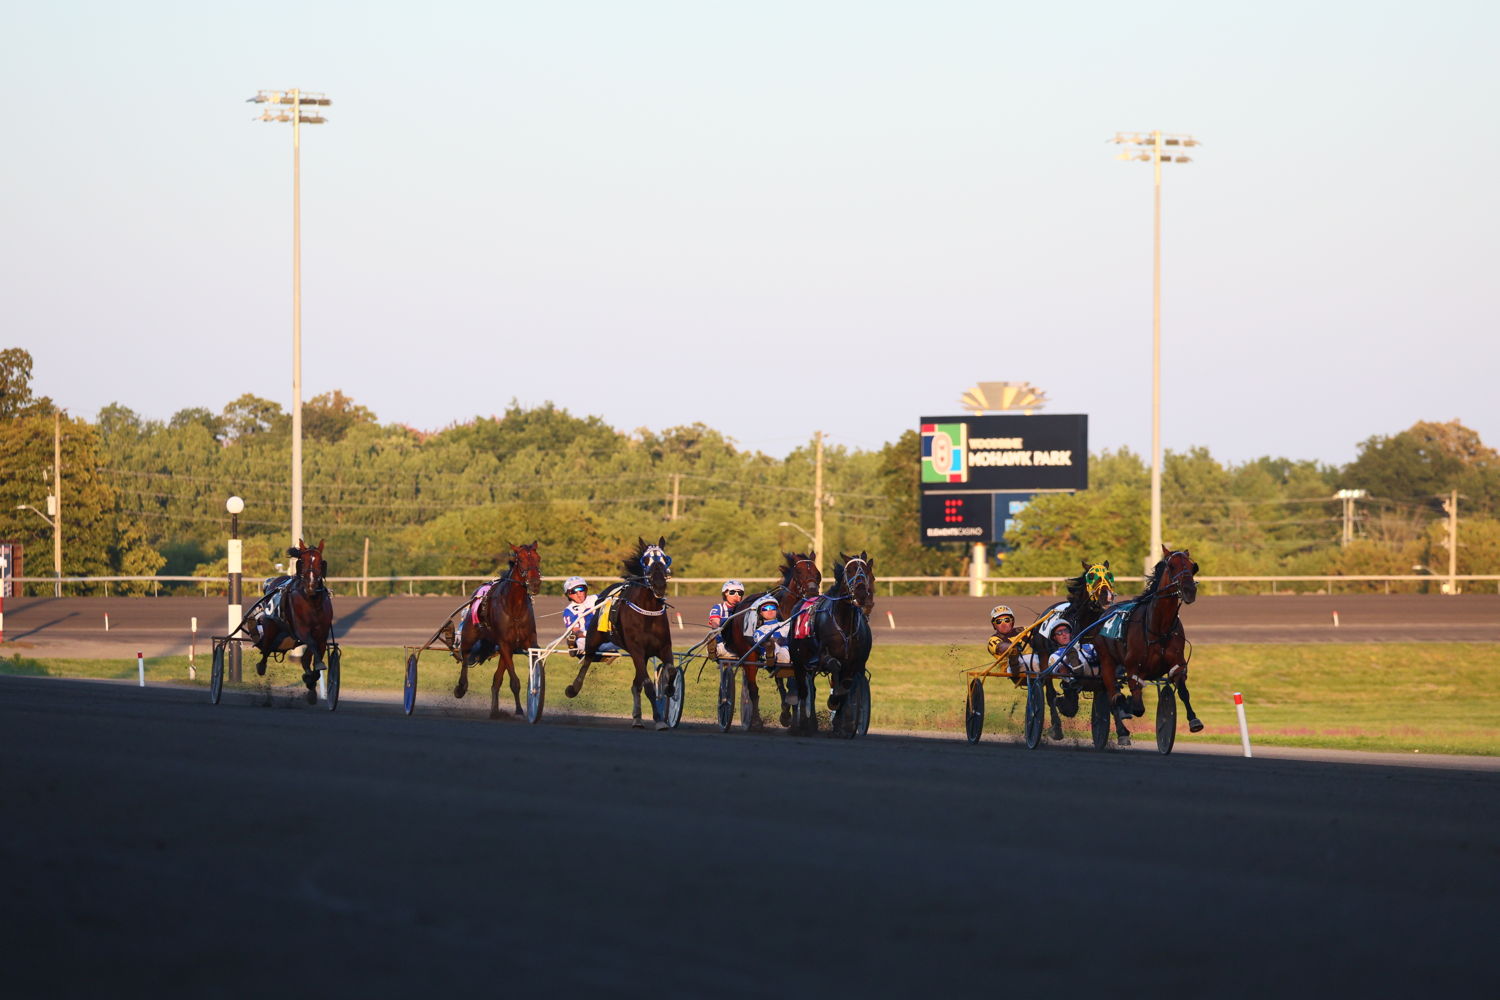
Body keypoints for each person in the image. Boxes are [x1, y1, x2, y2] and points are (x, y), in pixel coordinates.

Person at [707, 580, 746, 661]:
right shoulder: (718, 608)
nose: (736, 596)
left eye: (740, 593)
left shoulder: (745, 609)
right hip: (722, 642)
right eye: (732, 592)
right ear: (725, 593)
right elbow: (715, 625)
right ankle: (713, 650)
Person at [561, 576, 597, 656]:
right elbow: (575, 631)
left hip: (604, 635)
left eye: (581, 590)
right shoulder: (569, 611)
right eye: (574, 591)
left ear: (585, 590)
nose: (578, 594)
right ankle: (574, 647)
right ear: (569, 594)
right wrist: (589, 634)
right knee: (581, 642)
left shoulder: (596, 598)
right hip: (586, 638)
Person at [753, 599, 791, 667]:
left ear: (776, 611)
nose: (770, 610)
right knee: (771, 644)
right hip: (775, 654)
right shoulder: (759, 631)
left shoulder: (787, 624)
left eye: (772, 608)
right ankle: (771, 654)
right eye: (765, 608)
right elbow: (762, 644)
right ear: (760, 613)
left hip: (791, 649)